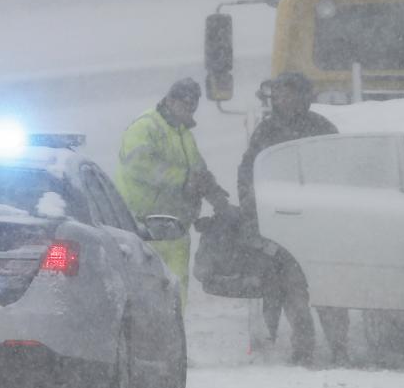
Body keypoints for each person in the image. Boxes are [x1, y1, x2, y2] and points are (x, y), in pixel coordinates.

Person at [236, 71, 350, 365]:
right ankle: (303, 349)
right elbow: (249, 173)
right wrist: (252, 211)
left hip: (320, 224)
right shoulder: (266, 131)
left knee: (329, 288)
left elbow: (340, 171)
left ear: (303, 97)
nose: (281, 100)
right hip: (284, 224)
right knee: (292, 290)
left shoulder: (322, 129)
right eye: (278, 95)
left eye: (287, 94)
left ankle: (339, 347)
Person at [115, 77, 233, 307]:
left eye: (193, 105)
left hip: (176, 229)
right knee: (146, 295)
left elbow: (197, 169)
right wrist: (183, 180)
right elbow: (140, 165)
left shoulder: (183, 133)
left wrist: (215, 194)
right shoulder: (146, 126)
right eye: (186, 104)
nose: (190, 109)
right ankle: (151, 339)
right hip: (144, 229)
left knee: (177, 292)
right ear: (170, 100)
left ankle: (174, 336)